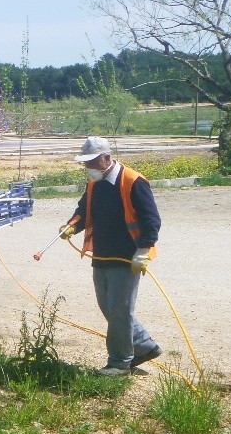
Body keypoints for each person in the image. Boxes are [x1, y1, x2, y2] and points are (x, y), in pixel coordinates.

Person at [59, 136, 163, 376]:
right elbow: (83, 211)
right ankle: (144, 346)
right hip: (102, 255)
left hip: (128, 258)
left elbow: (152, 220)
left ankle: (120, 363)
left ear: (106, 158)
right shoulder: (94, 184)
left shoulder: (133, 181)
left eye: (91, 162)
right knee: (110, 308)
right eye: (85, 163)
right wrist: (72, 226)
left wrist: (144, 249)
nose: (88, 168)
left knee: (120, 310)